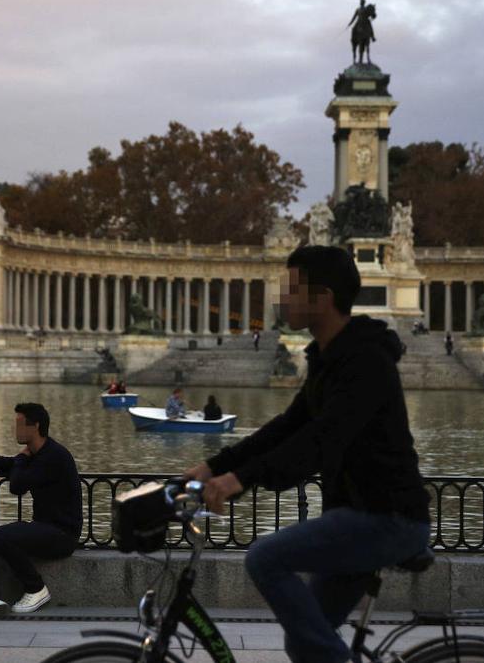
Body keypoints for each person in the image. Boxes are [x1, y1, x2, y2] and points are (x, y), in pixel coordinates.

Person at [185, 245, 431, 663]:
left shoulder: (365, 360)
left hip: (387, 516)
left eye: (293, 289)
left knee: (265, 558)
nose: (282, 299)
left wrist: (237, 480)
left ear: (324, 298)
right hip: (358, 513)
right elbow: (289, 426)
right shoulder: (330, 357)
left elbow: (322, 439)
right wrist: (214, 465)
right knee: (305, 639)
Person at [0, 403, 82, 617]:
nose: (14, 429)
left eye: (19, 424)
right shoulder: (38, 454)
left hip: (61, 534)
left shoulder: (54, 456)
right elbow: (17, 467)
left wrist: (20, 458)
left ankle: (36, 589)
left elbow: (17, 485)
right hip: (42, 529)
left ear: (35, 426)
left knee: (2, 536)